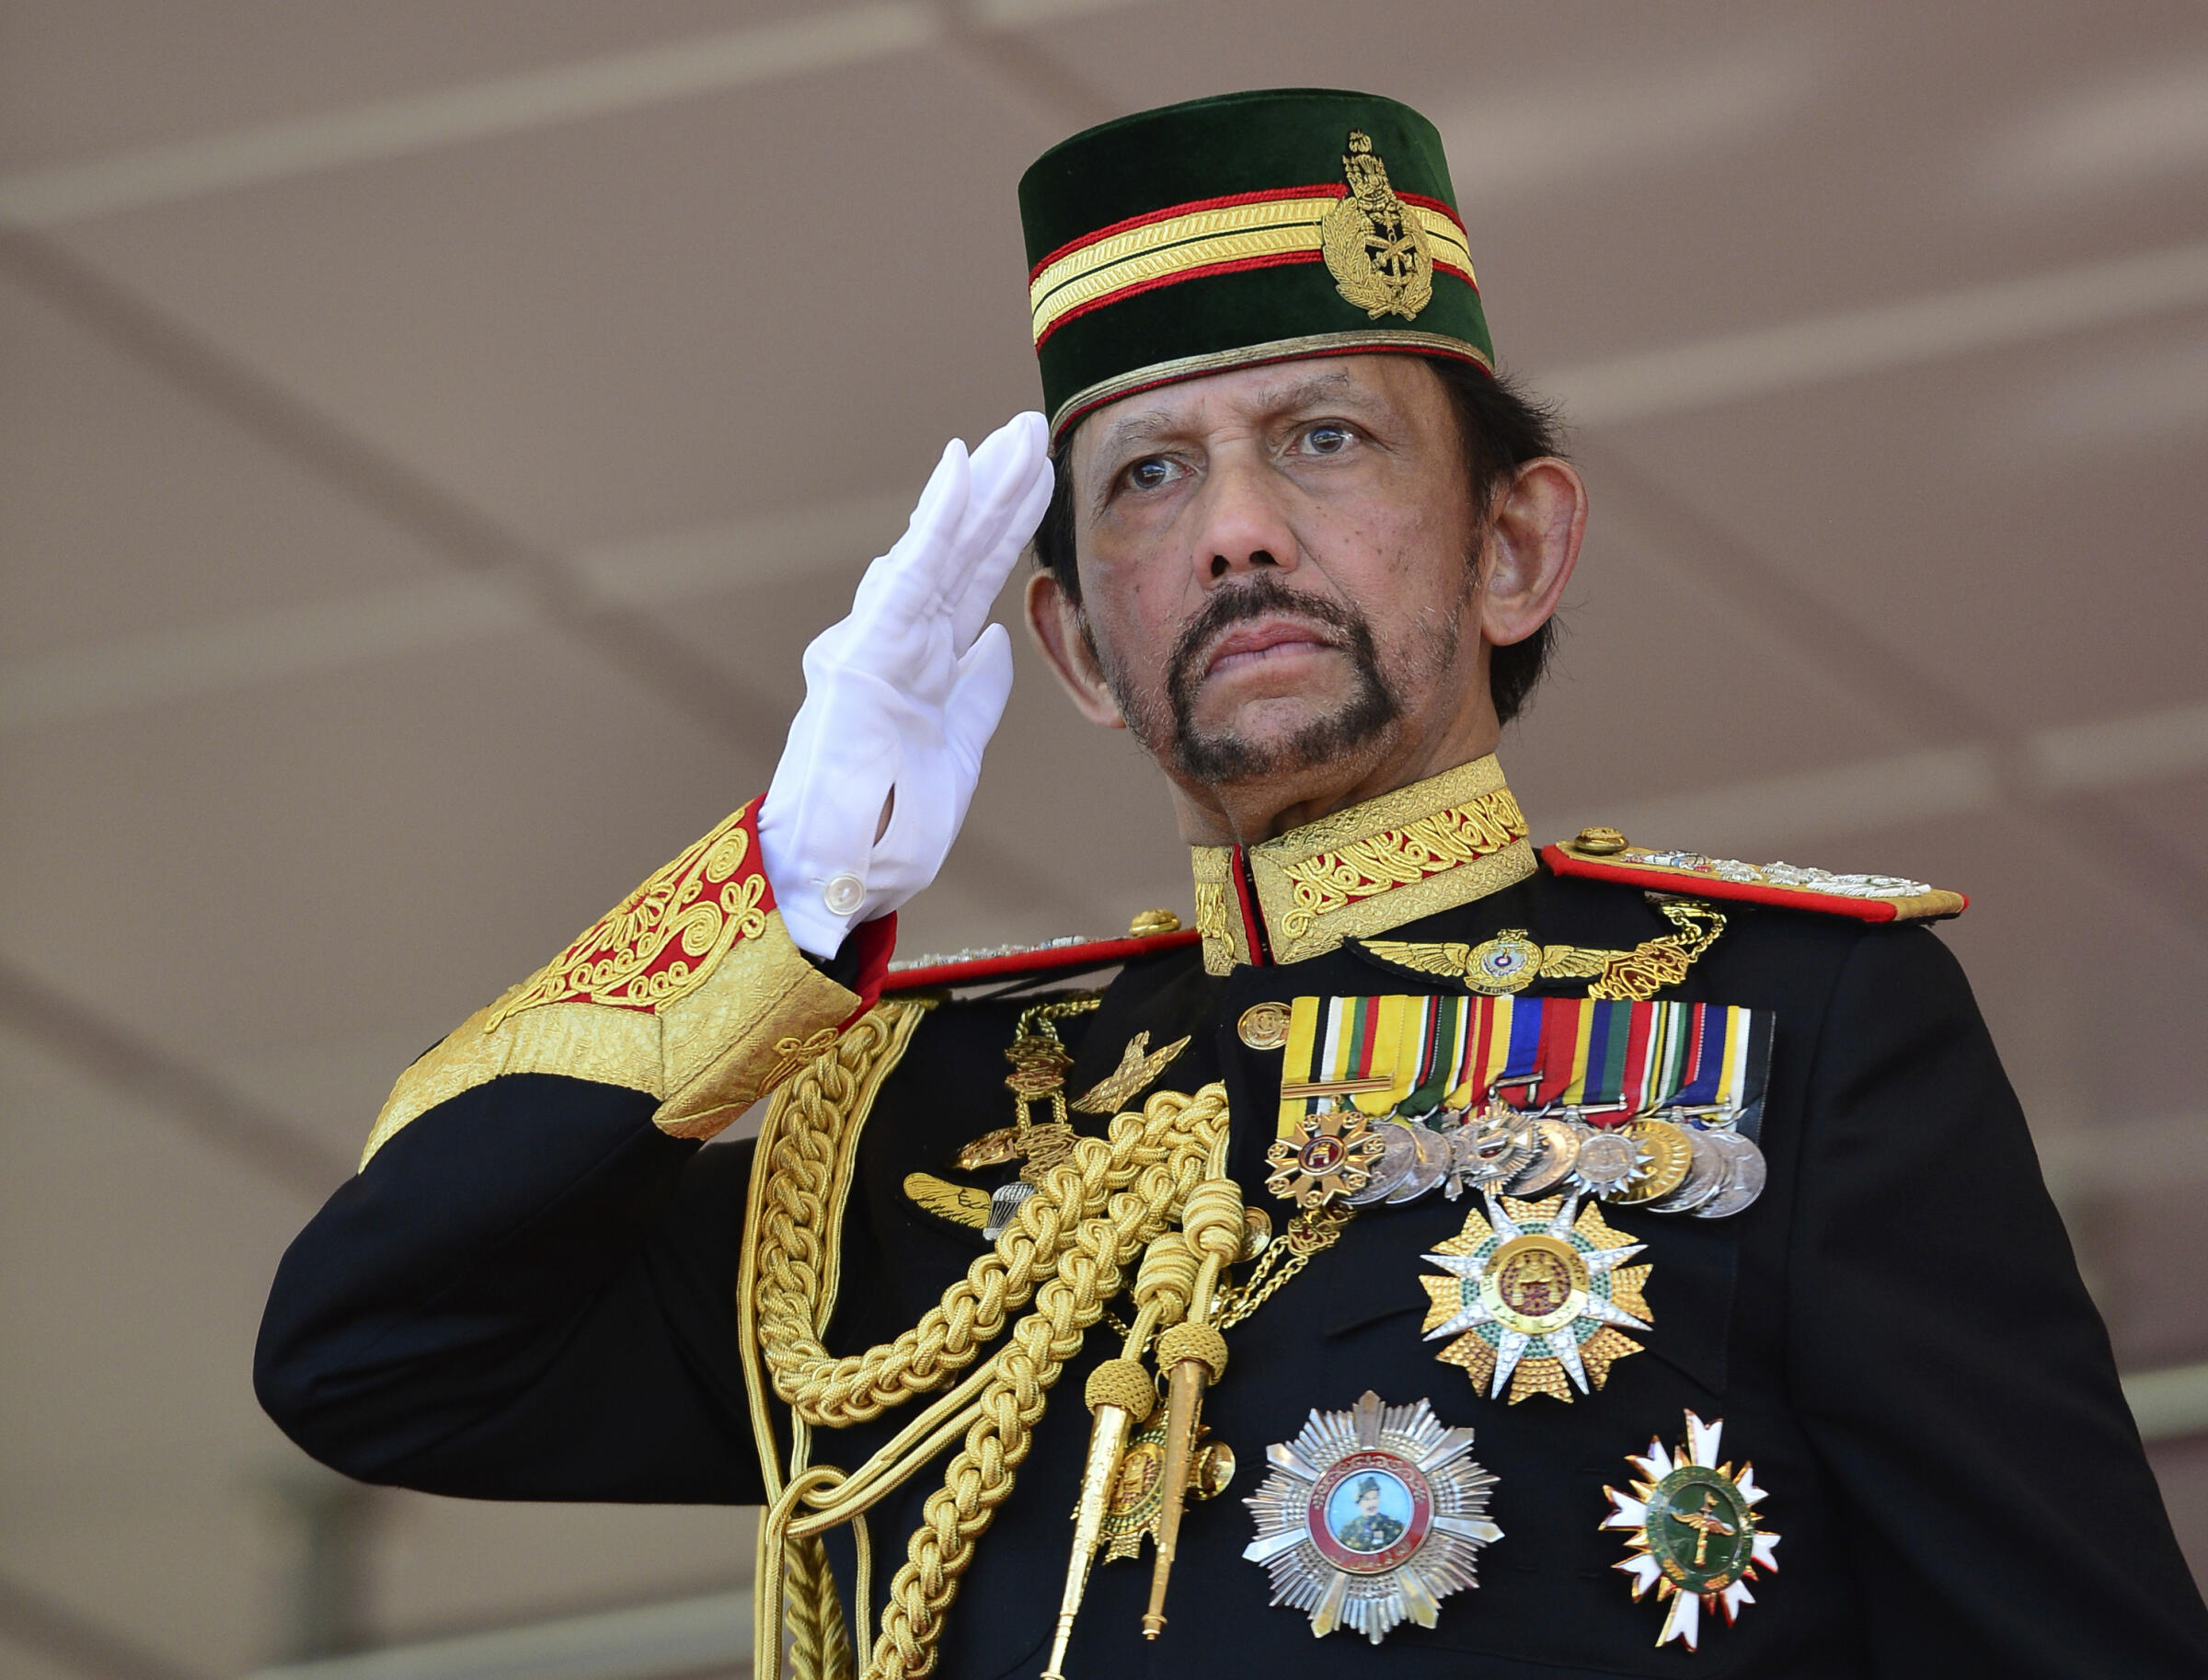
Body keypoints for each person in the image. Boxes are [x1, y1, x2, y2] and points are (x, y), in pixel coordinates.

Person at [256, 88, 2208, 1680]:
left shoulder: (1787, 1022)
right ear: (1076, 646)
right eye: (1148, 476)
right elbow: (383, 1354)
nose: (1236, 530)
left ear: (1514, 548)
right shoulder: (914, 1127)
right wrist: (786, 899)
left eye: (1323, 438)